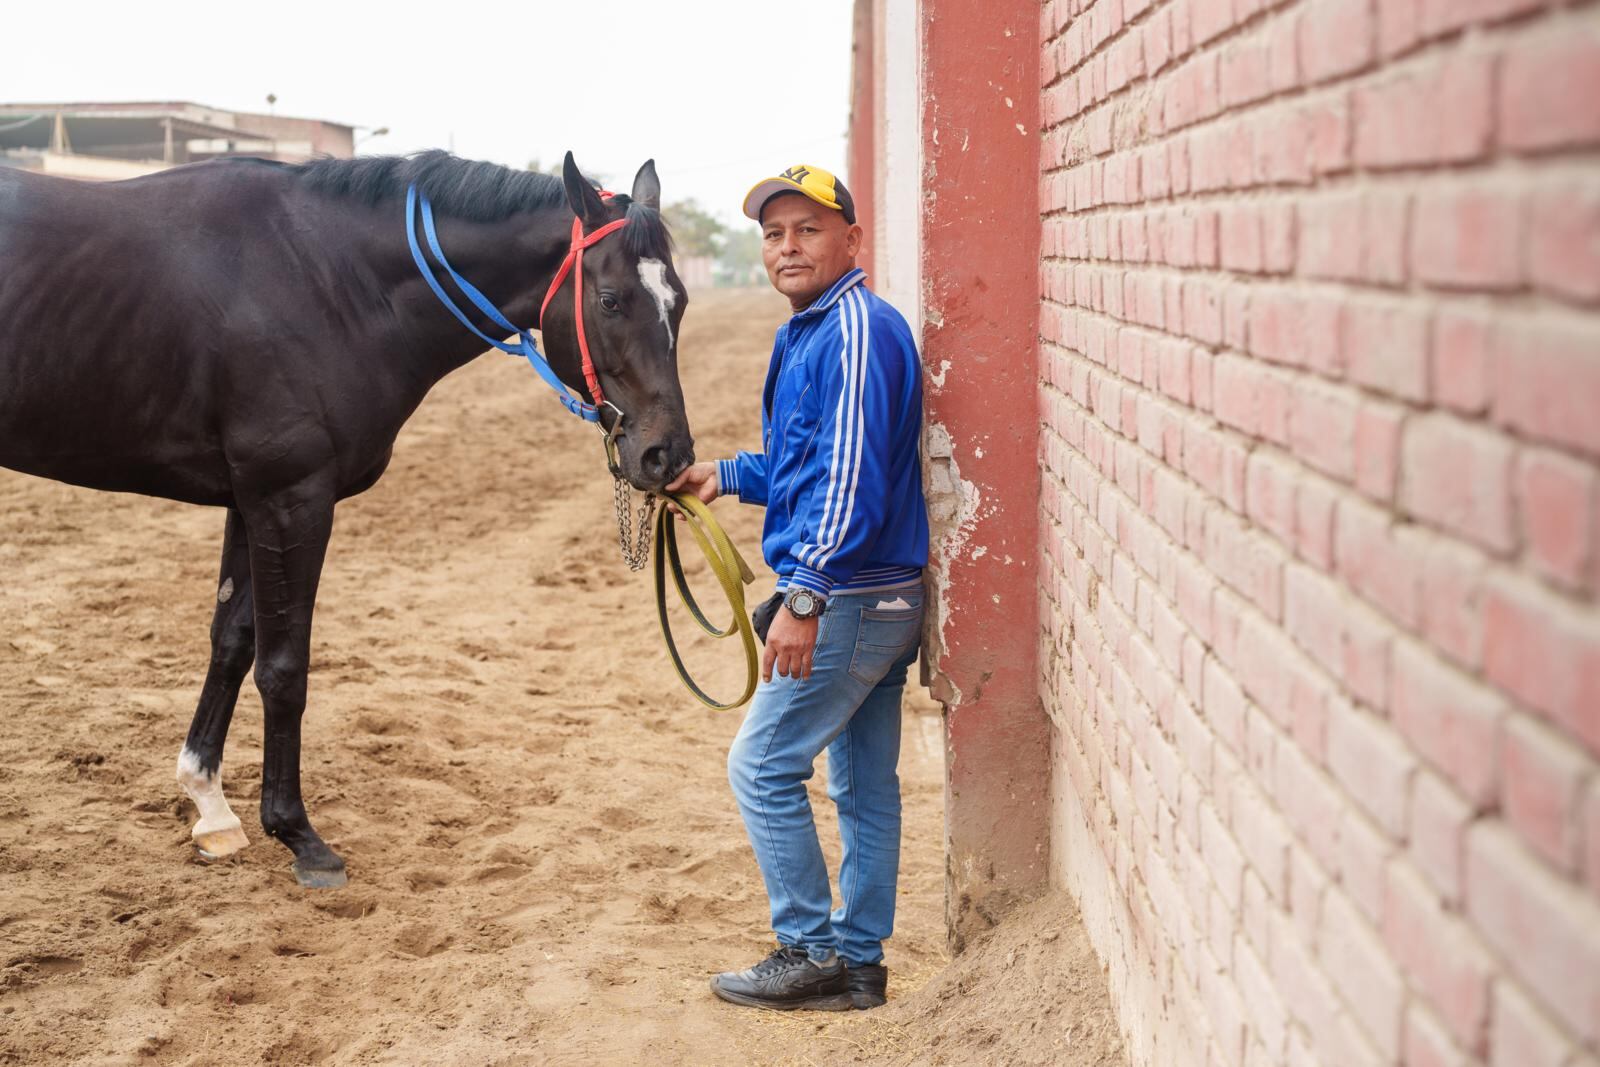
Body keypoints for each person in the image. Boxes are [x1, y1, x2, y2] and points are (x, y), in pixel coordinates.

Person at [667, 163, 929, 1012]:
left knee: (762, 766)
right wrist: (727, 474)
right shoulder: (812, 329)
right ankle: (858, 967)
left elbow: (849, 478)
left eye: (808, 229)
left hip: (850, 595)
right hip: (881, 590)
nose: (788, 247)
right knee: (860, 782)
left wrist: (806, 594)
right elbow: (806, 460)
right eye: (774, 233)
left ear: (851, 238)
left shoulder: (853, 330)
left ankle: (809, 948)